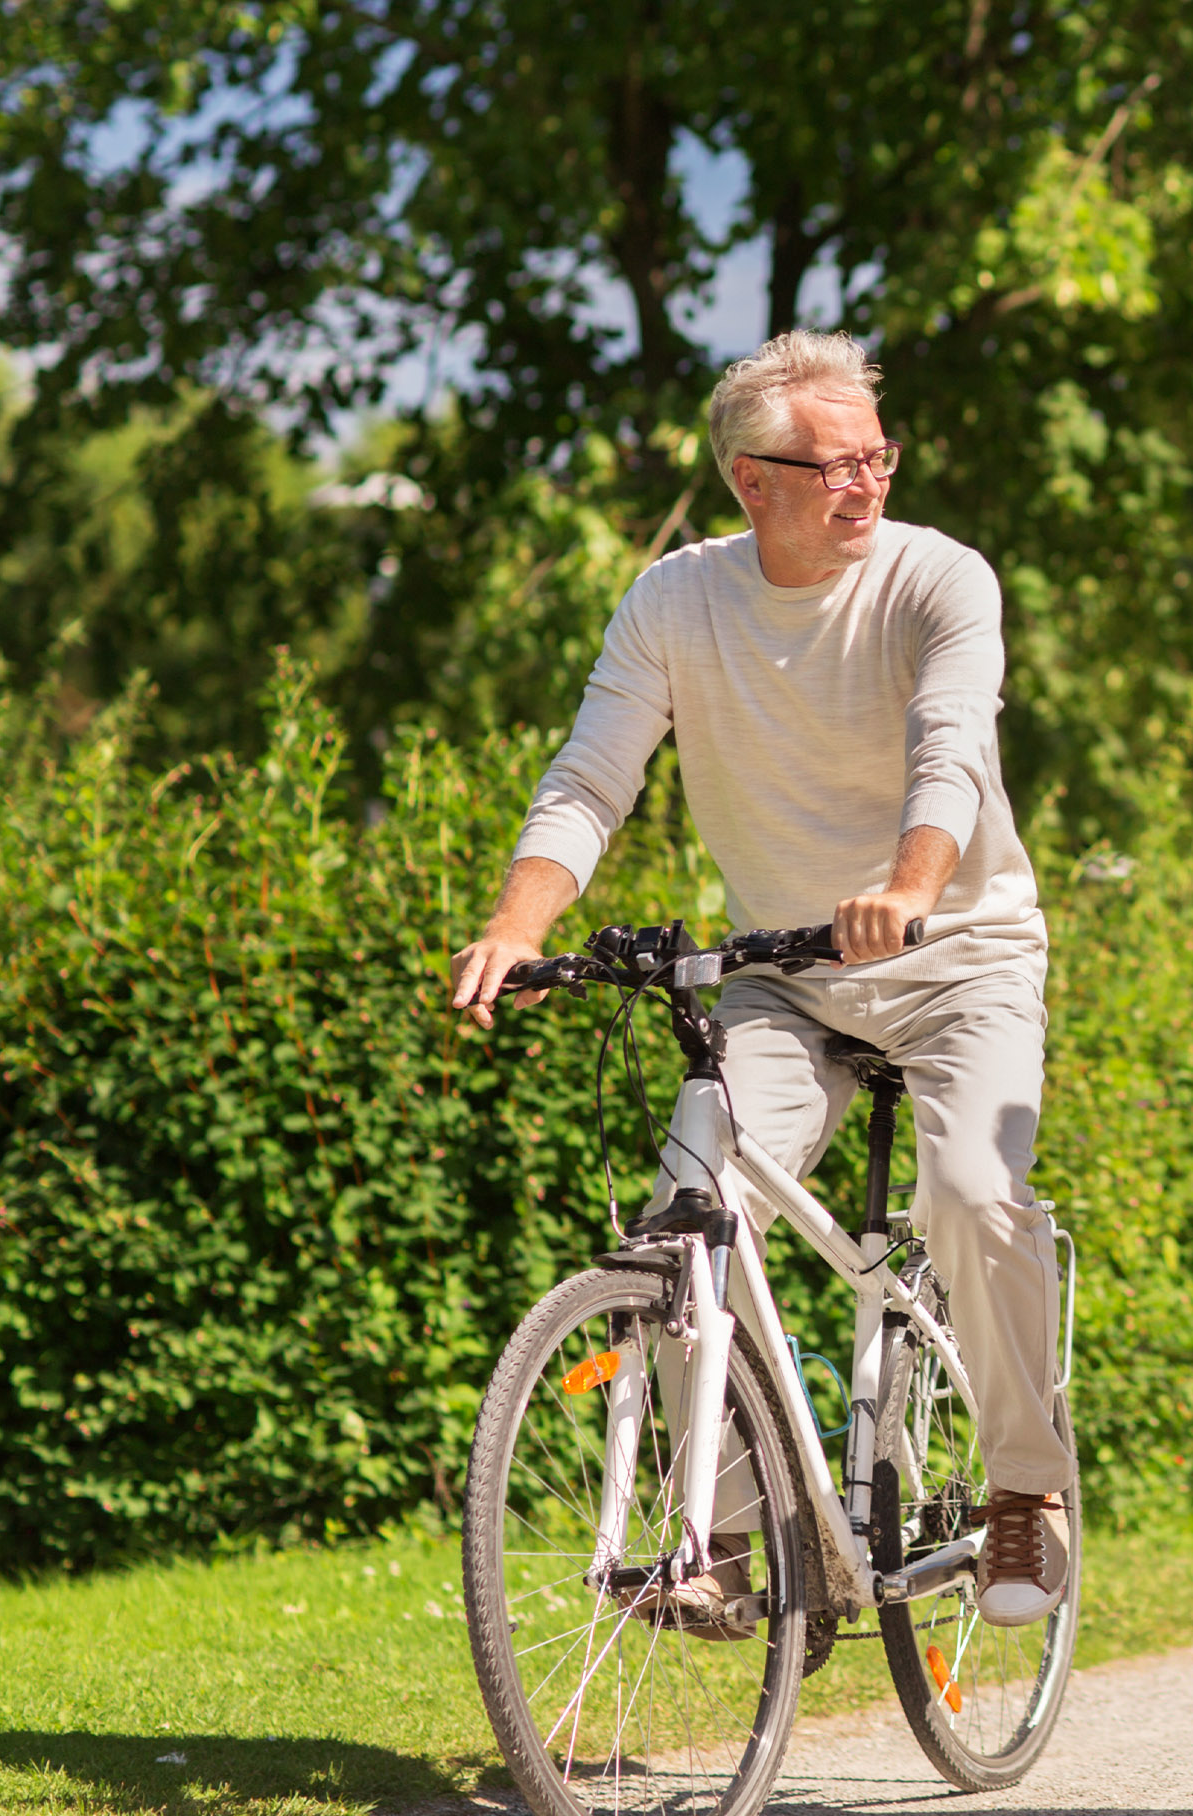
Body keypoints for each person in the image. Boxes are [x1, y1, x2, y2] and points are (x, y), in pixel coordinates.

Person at [447, 330, 1074, 1628]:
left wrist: (909, 885)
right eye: (832, 464)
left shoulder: (937, 580)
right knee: (688, 1207)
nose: (867, 484)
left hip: (959, 958)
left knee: (969, 1192)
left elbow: (950, 747)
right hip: (785, 978)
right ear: (752, 479)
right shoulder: (679, 601)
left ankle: (1026, 1490)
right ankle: (718, 1537)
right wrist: (516, 922)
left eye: (877, 457)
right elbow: (591, 775)